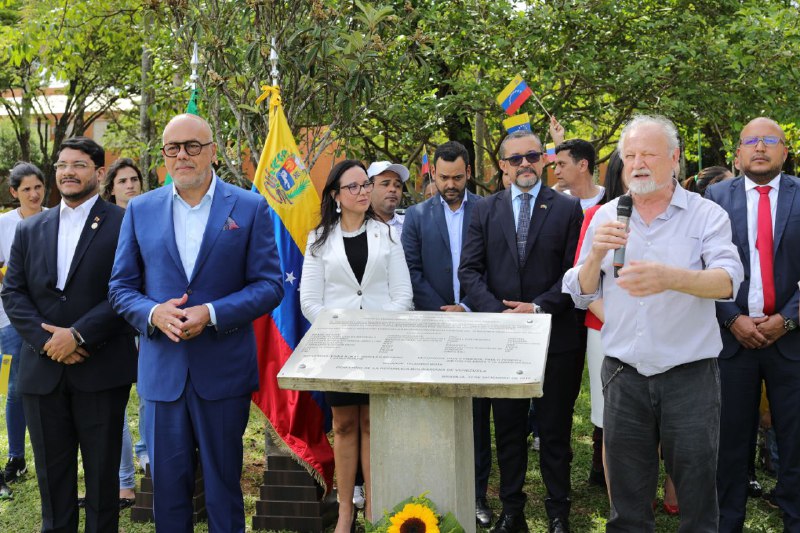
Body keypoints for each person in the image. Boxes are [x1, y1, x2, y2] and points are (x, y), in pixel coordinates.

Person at [564, 115, 743, 532]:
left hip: (689, 378)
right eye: (630, 156)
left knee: (697, 500)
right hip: (623, 376)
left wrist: (670, 278)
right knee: (626, 506)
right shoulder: (607, 215)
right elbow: (580, 292)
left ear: (675, 158)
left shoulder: (706, 215)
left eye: (648, 154)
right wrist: (595, 257)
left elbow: (728, 281)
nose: (638, 163)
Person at [108, 114, 284, 533]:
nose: (182, 155)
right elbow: (120, 287)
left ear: (212, 152)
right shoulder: (141, 209)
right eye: (173, 148)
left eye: (193, 146)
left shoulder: (249, 206)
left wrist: (213, 313)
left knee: (224, 490)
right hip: (162, 374)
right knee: (168, 494)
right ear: (164, 155)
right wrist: (153, 313)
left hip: (222, 371)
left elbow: (269, 285)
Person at [2, 137, 138, 532]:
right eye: (62, 165)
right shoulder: (30, 228)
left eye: (78, 165)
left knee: (102, 480)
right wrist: (48, 341)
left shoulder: (124, 223)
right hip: (41, 372)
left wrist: (78, 335)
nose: (68, 172)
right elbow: (13, 292)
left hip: (101, 368)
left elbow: (129, 288)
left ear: (99, 172)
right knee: (52, 479)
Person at [460, 130, 584, 533]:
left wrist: (536, 307)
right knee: (509, 431)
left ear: (544, 159)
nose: (525, 164)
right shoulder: (484, 210)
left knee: (554, 432)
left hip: (555, 337)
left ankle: (558, 514)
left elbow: (575, 273)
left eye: (532, 155)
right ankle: (512, 512)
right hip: (502, 339)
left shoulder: (568, 208)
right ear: (502, 166)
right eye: (515, 159)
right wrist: (499, 313)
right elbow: (469, 271)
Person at [300, 159, 412, 531]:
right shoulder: (318, 240)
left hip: (381, 348)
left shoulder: (388, 235)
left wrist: (374, 332)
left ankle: (376, 510)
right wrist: (345, 331)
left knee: (372, 424)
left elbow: (403, 296)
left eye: (365, 184)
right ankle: (345, 512)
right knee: (344, 425)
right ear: (336, 195)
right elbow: (309, 301)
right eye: (354, 186)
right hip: (338, 349)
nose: (363, 191)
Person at [705, 117, 800, 532]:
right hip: (732, 342)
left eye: (770, 140)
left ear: (785, 151)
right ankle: (728, 522)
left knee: (796, 442)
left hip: (792, 342)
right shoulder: (714, 197)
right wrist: (732, 317)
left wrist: (788, 319)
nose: (760, 148)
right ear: (738, 153)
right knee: (729, 442)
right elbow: (701, 262)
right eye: (751, 141)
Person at [400, 141, 487, 526]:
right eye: (444, 177)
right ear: (432, 174)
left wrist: (465, 306)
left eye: (457, 177)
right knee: (433, 411)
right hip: (431, 325)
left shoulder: (486, 209)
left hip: (475, 322)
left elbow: (492, 265)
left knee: (476, 415)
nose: (450, 185)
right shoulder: (416, 216)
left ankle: (477, 495)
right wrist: (442, 310)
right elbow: (411, 270)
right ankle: (433, 490)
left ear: (468, 173)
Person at [576, 150, 624, 489]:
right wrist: (617, 320)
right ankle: (617, 496)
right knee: (611, 416)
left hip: (661, 329)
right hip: (605, 327)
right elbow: (582, 279)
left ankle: (666, 489)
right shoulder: (597, 215)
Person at [0, 162, 47, 499]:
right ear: (14, 192)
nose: (33, 194)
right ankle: (16, 456)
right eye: (26, 189)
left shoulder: (56, 218)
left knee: (46, 386)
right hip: (9, 321)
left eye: (38, 187)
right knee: (13, 387)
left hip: (49, 320)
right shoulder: (4, 224)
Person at [101, 157, 145, 509]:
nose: (130, 185)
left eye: (134, 179)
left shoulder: (152, 216)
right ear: (111, 188)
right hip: (111, 326)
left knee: (149, 399)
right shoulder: (103, 224)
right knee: (115, 407)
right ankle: (124, 482)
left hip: (147, 323)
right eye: (122, 181)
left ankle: (149, 461)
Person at [554, 139, 605, 210]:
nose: (556, 172)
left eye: (562, 164)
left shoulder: (611, 199)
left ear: (582, 165)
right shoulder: (555, 204)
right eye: (556, 165)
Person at [368, 160, 409, 237]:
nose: (393, 189)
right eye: (385, 184)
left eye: (397, 185)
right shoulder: (356, 226)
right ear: (368, 188)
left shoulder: (410, 225)